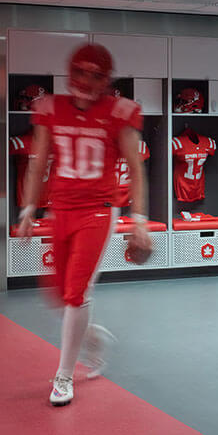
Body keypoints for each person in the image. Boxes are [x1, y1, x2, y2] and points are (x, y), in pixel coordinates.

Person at [17, 44, 152, 405]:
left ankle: (64, 376)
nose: (87, 82)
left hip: (98, 210)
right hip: (61, 209)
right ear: (70, 72)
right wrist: (30, 208)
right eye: (82, 72)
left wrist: (138, 219)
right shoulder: (51, 108)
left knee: (77, 293)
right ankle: (93, 338)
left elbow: (136, 168)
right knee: (60, 295)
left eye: (96, 76)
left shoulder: (118, 113)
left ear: (107, 81)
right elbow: (39, 160)